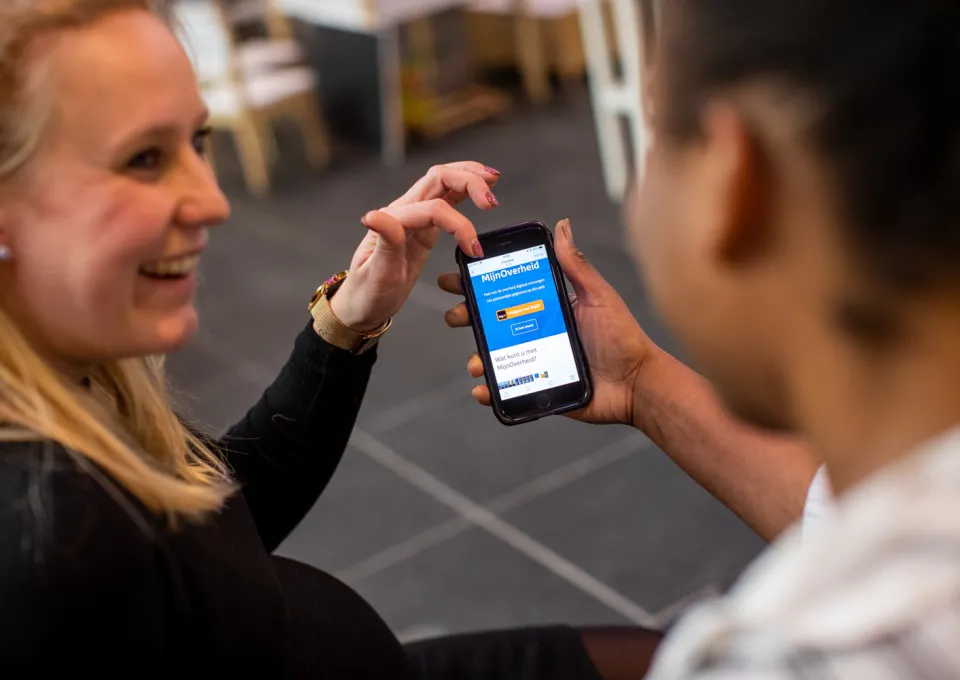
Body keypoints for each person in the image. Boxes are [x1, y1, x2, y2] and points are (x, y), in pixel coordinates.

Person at [0, 1, 669, 677]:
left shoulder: (69, 386)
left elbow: (221, 520)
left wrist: (349, 319)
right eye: (144, 159)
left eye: (196, 143)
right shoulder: (48, 541)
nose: (212, 200)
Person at [443, 0, 960, 676]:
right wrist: (638, 381)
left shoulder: (785, 659)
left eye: (654, 131)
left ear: (733, 179)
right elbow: (842, 514)